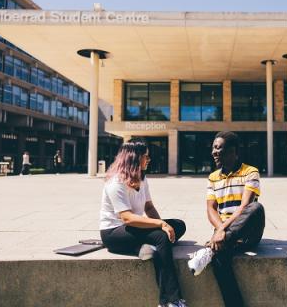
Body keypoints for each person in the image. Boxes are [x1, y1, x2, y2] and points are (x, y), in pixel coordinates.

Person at [99, 141, 188, 307]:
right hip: (113, 232)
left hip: (133, 228)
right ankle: (170, 300)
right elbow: (127, 218)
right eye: (146, 155)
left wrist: (163, 225)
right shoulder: (116, 182)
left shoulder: (142, 178)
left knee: (179, 225)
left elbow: (149, 207)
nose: (149, 159)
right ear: (134, 157)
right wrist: (160, 226)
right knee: (161, 238)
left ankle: (147, 246)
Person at [187, 131, 265, 307]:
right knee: (220, 261)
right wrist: (220, 228)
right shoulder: (213, 177)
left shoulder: (250, 172)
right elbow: (211, 208)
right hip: (224, 233)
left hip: (247, 233)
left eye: (218, 148)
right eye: (213, 148)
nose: (214, 152)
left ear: (233, 151)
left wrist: (222, 231)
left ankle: (210, 250)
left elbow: (245, 206)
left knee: (257, 208)